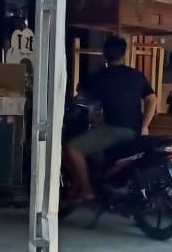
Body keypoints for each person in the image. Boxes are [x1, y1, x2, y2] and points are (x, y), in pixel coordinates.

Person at [66, 36, 156, 203]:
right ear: (125, 53)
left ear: (104, 54)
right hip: (136, 130)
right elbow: (152, 99)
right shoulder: (136, 75)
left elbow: (80, 90)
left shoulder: (100, 77)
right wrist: (145, 126)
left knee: (73, 148)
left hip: (115, 130)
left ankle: (87, 191)